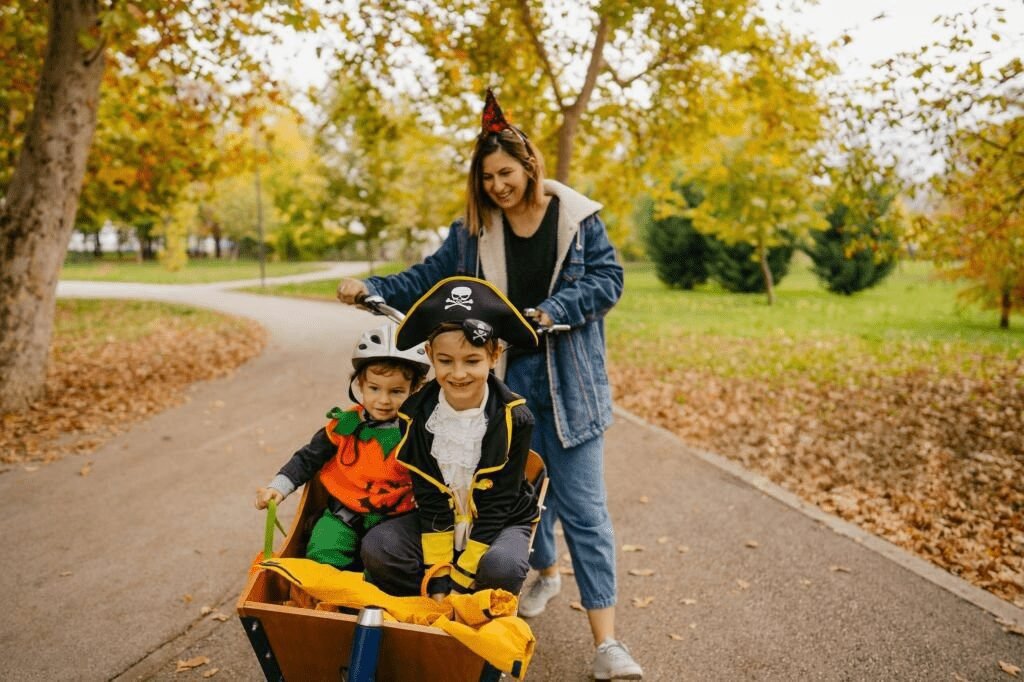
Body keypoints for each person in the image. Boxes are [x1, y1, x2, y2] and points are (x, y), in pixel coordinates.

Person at [338, 91, 641, 679]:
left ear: (529, 166)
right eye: (487, 178)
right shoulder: (475, 232)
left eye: (506, 173)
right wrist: (372, 286)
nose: (498, 186)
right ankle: (544, 572)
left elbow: (608, 280)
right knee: (514, 496)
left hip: (571, 388)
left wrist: (551, 311)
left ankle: (607, 644)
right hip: (502, 388)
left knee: (584, 511)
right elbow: (430, 277)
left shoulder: (577, 221)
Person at [359, 276, 543, 600]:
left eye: (472, 361)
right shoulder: (414, 415)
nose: (458, 374)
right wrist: (440, 580)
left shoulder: (517, 419)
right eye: (445, 361)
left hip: (499, 522)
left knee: (501, 566)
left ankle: (479, 613)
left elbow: (499, 503)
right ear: (430, 354)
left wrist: (461, 580)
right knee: (379, 546)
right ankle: (422, 604)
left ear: (495, 355)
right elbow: (429, 495)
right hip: (441, 521)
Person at [254, 323, 430, 571]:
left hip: (395, 518)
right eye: (374, 388)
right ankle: (327, 590)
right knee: (323, 550)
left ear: (415, 390)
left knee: (383, 565)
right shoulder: (345, 424)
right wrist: (278, 487)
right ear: (360, 385)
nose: (383, 400)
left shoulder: (418, 431)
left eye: (396, 391)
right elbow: (307, 458)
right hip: (343, 513)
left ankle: (370, 590)